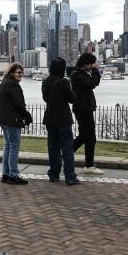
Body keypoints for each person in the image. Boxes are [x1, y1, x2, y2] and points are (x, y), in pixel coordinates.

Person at [0, 63, 32, 184]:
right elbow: (19, 104)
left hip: (3, 119)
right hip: (11, 120)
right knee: (14, 146)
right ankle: (13, 175)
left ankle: (6, 174)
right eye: (19, 73)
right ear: (11, 73)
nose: (21, 75)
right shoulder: (13, 85)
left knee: (8, 146)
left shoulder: (4, 83)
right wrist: (27, 115)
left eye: (22, 73)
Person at [42, 57, 79, 185]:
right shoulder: (63, 82)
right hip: (63, 117)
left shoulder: (45, 82)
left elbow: (45, 98)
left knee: (53, 147)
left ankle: (54, 173)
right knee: (67, 148)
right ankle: (70, 176)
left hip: (50, 117)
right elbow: (72, 99)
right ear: (62, 69)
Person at [70, 53, 104, 174]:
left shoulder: (81, 74)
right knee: (87, 136)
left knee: (89, 137)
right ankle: (68, 154)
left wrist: (94, 71)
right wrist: (95, 70)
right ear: (87, 63)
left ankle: (88, 164)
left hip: (85, 108)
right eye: (91, 64)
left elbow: (94, 83)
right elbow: (92, 84)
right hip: (82, 108)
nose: (92, 66)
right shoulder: (76, 74)